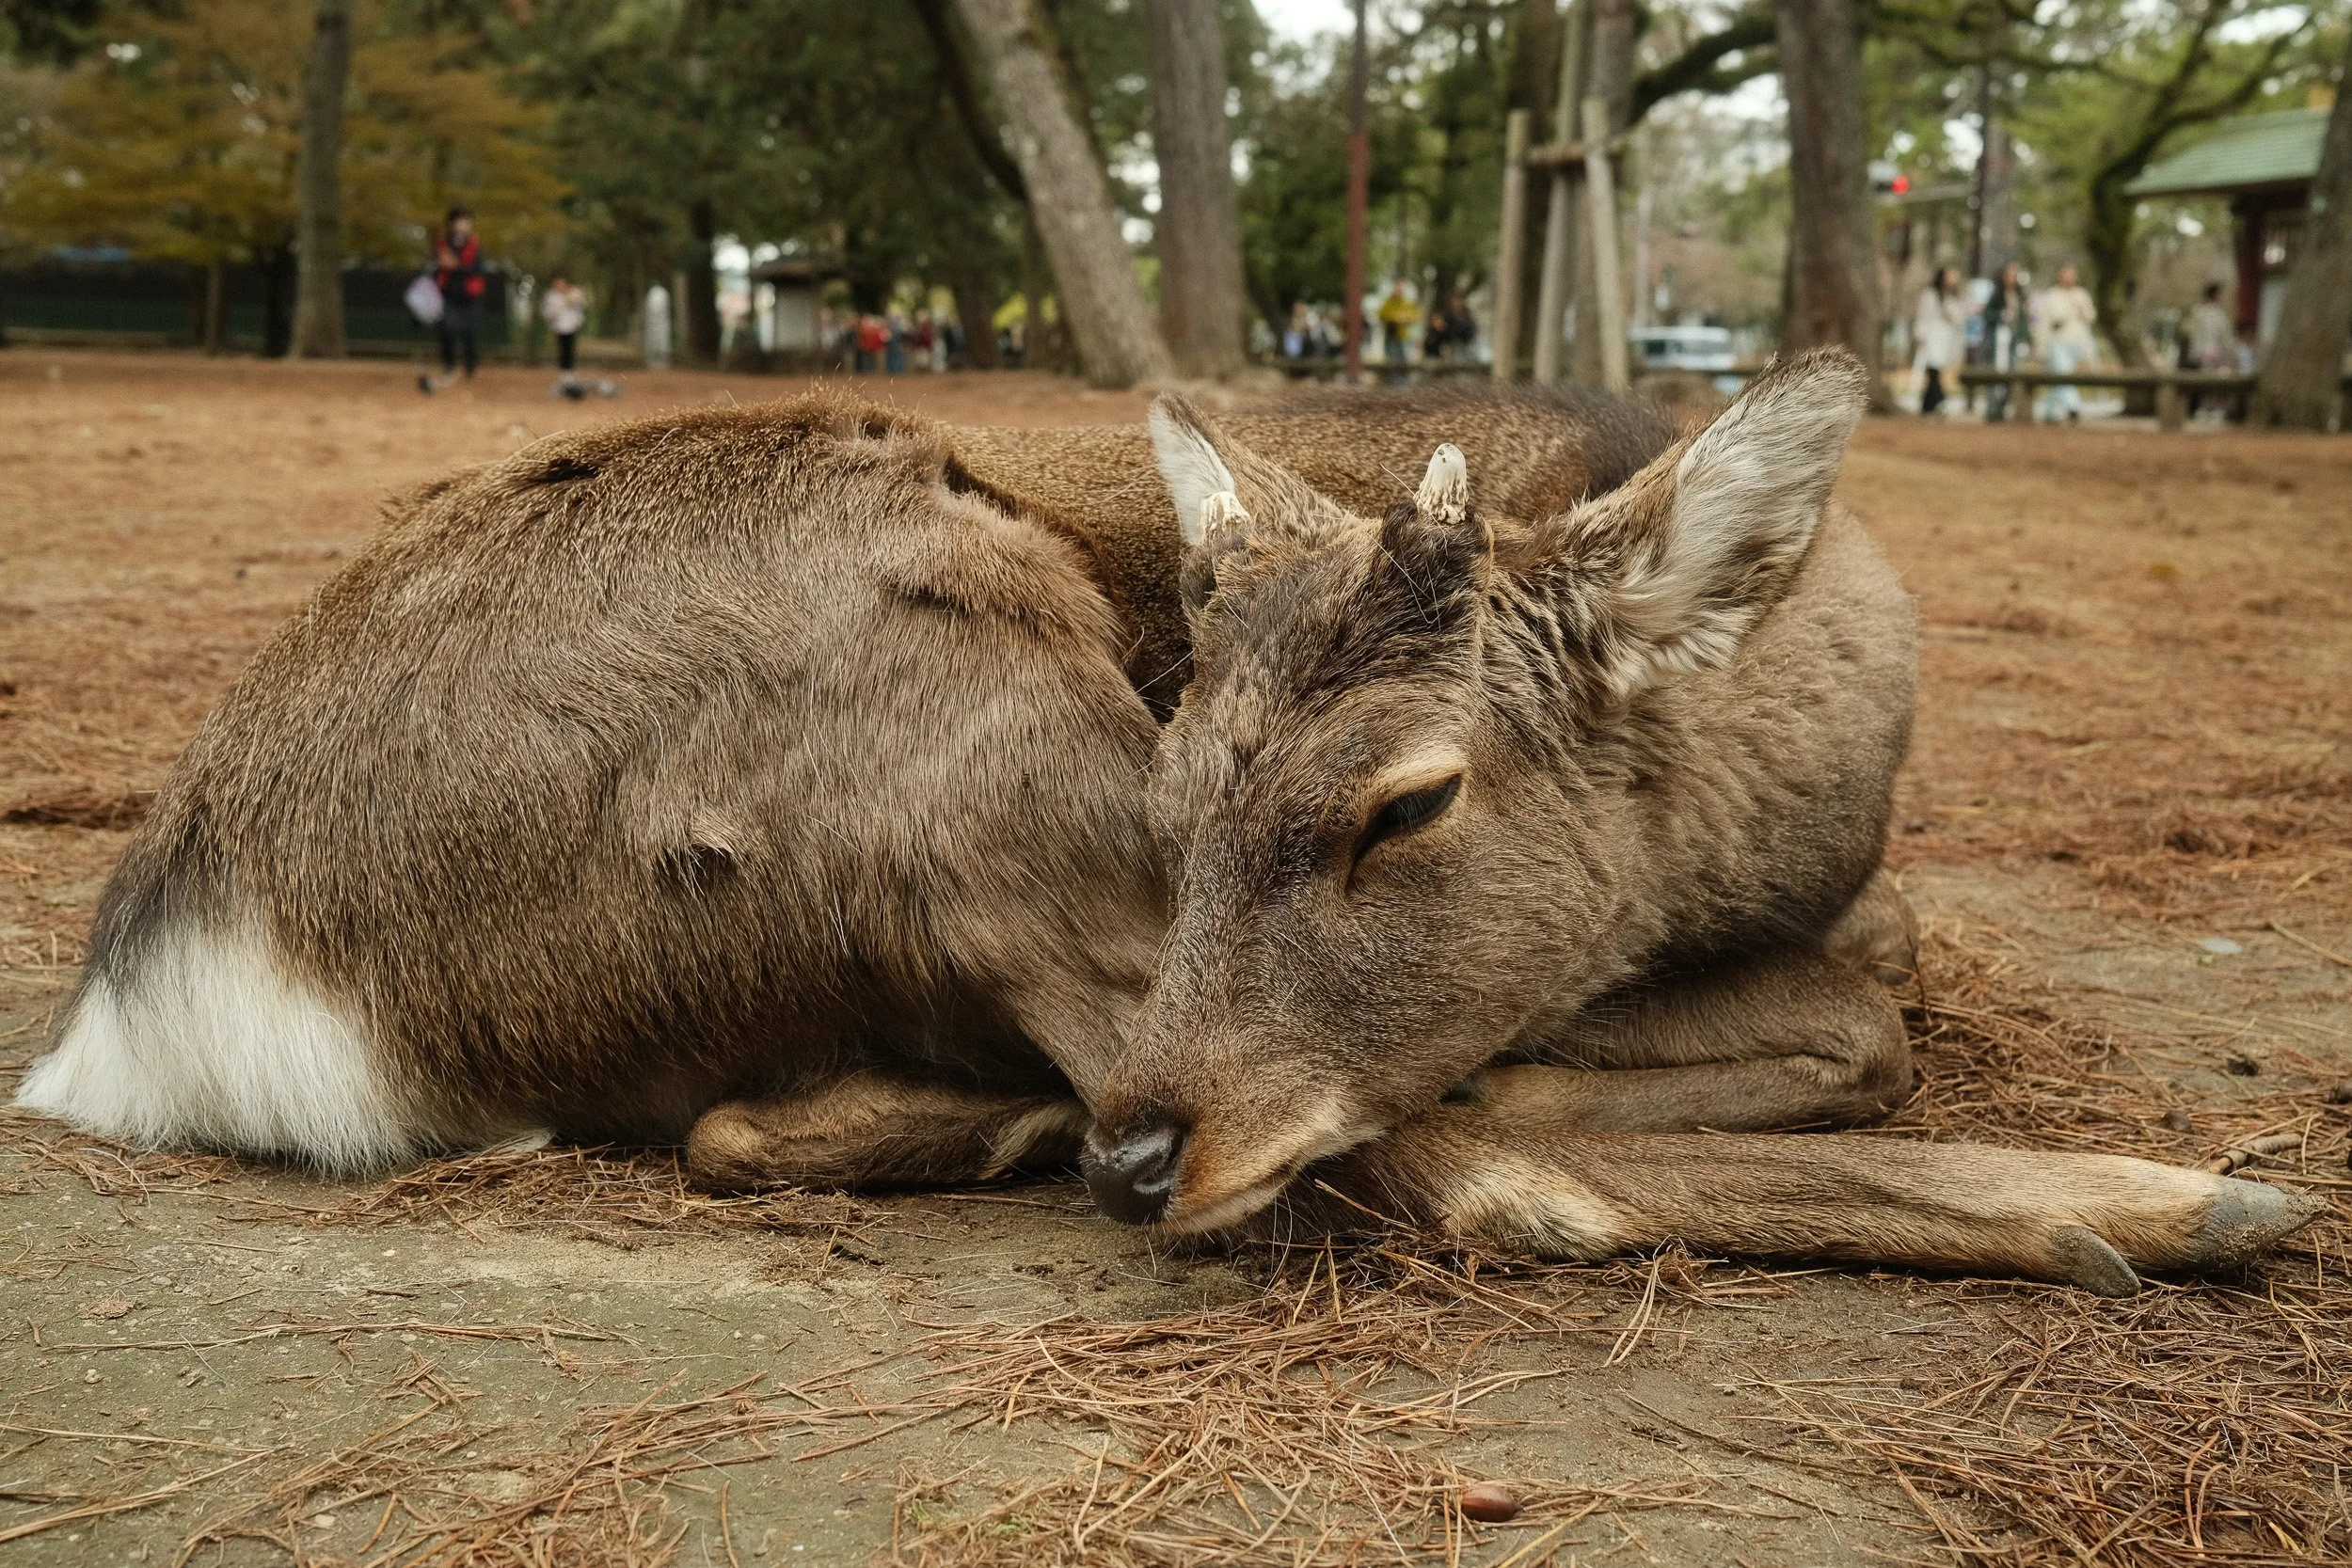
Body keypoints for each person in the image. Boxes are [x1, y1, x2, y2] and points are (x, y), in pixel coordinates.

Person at [418, 207, 485, 394]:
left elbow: (478, 269)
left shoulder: (474, 244)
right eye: (461, 220)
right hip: (447, 293)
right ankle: (450, 367)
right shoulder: (443, 243)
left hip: (469, 294)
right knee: (446, 330)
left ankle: (471, 369)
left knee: (470, 332)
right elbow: (432, 267)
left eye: (467, 220)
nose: (464, 224)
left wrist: (456, 266)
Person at [2033, 262, 2098, 423]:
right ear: (2059, 276)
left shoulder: (2082, 295)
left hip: (2076, 343)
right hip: (2057, 343)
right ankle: (2073, 407)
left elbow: (2091, 317)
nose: (2070, 277)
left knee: (2058, 380)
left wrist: (2081, 308)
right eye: (2066, 274)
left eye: (2072, 273)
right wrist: (2040, 348)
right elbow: (2046, 323)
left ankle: (2050, 413)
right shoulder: (2052, 295)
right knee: (2063, 375)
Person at [1911, 266, 1966, 416]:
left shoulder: (1954, 298)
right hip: (1931, 336)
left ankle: (1929, 404)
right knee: (1932, 369)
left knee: (1937, 370)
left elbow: (1959, 319)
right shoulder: (1930, 295)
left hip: (1945, 337)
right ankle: (1939, 398)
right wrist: (1920, 335)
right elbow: (1923, 316)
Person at [1980, 262, 2031, 422]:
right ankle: (1993, 411)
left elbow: (2023, 322)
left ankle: (2006, 408)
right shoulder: (1996, 296)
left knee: (2013, 376)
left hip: (2014, 343)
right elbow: (1987, 315)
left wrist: (2025, 340)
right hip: (1998, 343)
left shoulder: (2020, 296)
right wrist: (2001, 315)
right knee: (1996, 377)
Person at [541, 273, 587, 400]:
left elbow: (580, 304)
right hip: (560, 328)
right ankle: (565, 375)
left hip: (571, 328)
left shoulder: (574, 293)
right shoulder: (552, 296)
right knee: (563, 351)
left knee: (570, 350)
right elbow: (549, 312)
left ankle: (570, 375)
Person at [1376, 280, 1420, 370]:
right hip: (1391, 335)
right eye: (1397, 288)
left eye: (1401, 289)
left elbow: (1417, 315)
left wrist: (1406, 317)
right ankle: (1392, 380)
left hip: (1404, 336)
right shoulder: (1388, 302)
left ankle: (1404, 380)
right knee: (1391, 358)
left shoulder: (1407, 302)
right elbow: (1381, 314)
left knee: (1405, 358)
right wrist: (1395, 317)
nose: (1399, 291)